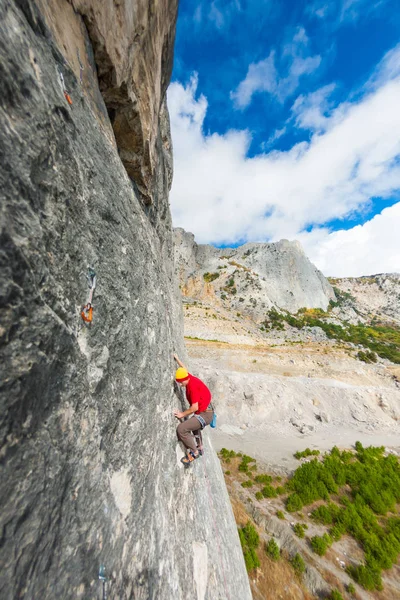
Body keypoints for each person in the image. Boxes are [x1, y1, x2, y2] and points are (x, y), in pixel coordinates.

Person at [173, 353, 214, 466]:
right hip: (206, 412)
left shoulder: (192, 387)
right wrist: (177, 359)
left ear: (185, 379)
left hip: (205, 414)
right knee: (194, 426)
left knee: (182, 429)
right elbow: (183, 368)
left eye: (181, 382)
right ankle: (200, 447)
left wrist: (182, 414)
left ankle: (194, 452)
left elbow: (194, 407)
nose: (180, 384)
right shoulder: (188, 377)